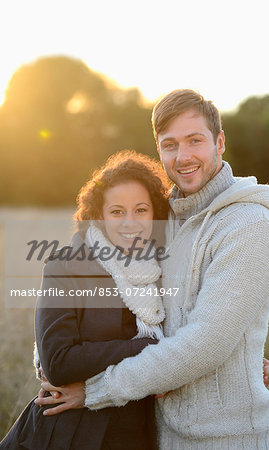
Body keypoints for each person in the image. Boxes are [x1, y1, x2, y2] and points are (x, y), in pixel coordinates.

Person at [34, 89, 269, 449]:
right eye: (169, 144)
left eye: (195, 141)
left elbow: (205, 344)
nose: (182, 157)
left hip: (222, 438)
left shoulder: (249, 224)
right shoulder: (167, 222)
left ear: (220, 142)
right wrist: (50, 356)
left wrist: (92, 391)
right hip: (159, 433)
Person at [0, 150, 171, 450]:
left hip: (137, 433)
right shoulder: (66, 266)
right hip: (67, 432)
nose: (130, 222)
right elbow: (58, 362)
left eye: (141, 210)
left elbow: (196, 336)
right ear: (99, 216)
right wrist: (148, 346)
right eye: (117, 212)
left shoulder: (165, 270)